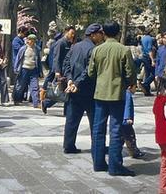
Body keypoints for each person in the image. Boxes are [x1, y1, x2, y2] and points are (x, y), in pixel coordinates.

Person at [88, 20, 137, 176]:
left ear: (103, 32)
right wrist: (130, 83)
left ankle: (98, 163)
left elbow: (91, 73)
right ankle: (115, 166)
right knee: (115, 130)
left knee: (98, 129)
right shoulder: (123, 50)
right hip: (117, 94)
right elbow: (130, 73)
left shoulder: (97, 50)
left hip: (100, 93)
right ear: (117, 32)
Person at [62, 24, 103, 154]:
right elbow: (89, 71)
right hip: (89, 90)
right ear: (93, 35)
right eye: (100, 34)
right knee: (94, 121)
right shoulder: (93, 49)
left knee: (71, 120)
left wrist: (70, 80)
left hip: (73, 89)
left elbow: (66, 64)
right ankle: (96, 146)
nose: (101, 36)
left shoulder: (75, 46)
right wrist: (76, 83)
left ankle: (68, 145)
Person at [41, 26, 75, 114]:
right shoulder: (61, 43)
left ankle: (67, 111)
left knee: (66, 91)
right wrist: (57, 71)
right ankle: (46, 103)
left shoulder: (69, 43)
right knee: (60, 91)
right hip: (61, 71)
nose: (72, 35)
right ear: (66, 32)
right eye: (71, 33)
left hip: (67, 70)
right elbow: (56, 58)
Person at [12, 34, 42, 107]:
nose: (32, 42)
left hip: (33, 69)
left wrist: (40, 71)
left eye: (34, 40)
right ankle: (16, 99)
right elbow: (18, 59)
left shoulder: (37, 49)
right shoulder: (23, 49)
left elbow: (39, 61)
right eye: (31, 40)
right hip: (24, 69)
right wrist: (16, 69)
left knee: (34, 86)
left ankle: (36, 103)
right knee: (20, 86)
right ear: (28, 40)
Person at [121, 85, 145, 159]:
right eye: (135, 87)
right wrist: (127, 117)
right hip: (126, 121)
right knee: (130, 136)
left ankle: (132, 151)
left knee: (122, 137)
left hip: (122, 120)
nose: (136, 89)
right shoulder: (128, 94)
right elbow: (127, 106)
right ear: (130, 87)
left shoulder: (123, 93)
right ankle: (134, 152)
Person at [134, 32, 155, 96]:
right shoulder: (150, 39)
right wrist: (152, 60)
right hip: (149, 57)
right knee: (154, 73)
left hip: (144, 56)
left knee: (147, 73)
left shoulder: (143, 38)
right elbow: (150, 50)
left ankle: (147, 91)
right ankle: (145, 84)